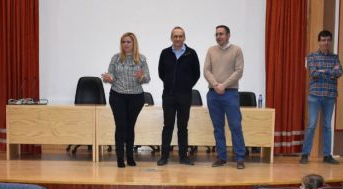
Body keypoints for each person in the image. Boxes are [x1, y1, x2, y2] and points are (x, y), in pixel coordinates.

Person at [101, 32, 151, 168]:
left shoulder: (141, 59)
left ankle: (130, 157)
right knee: (121, 126)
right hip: (118, 96)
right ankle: (119, 158)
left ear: (134, 43)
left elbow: (147, 78)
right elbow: (111, 74)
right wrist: (109, 78)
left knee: (130, 126)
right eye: (123, 42)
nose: (126, 44)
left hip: (136, 97)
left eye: (128, 42)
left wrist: (141, 77)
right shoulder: (116, 58)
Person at [203, 25, 246, 169]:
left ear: (228, 35)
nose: (218, 36)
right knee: (218, 127)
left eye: (221, 34)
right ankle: (221, 157)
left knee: (235, 126)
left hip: (230, 93)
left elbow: (239, 71)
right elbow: (206, 70)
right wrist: (216, 84)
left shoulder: (236, 50)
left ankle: (240, 158)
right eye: (216, 34)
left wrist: (224, 85)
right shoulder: (211, 50)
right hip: (213, 94)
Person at [157, 26, 200, 166]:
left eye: (180, 36)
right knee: (167, 126)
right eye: (175, 36)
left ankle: (184, 157)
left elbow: (196, 74)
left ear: (184, 38)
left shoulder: (191, 53)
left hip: (184, 96)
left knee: (183, 127)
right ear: (171, 38)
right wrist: (170, 85)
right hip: (168, 96)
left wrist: (185, 86)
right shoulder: (165, 53)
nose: (178, 39)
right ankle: (164, 156)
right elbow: (161, 73)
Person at [300, 30, 343, 165]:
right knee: (311, 125)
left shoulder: (335, 57)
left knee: (327, 126)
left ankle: (327, 155)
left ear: (330, 42)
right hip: (315, 96)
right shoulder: (312, 56)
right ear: (319, 42)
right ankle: (305, 154)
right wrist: (330, 73)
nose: (326, 43)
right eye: (323, 40)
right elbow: (314, 73)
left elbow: (340, 72)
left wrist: (323, 71)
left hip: (330, 96)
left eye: (328, 40)